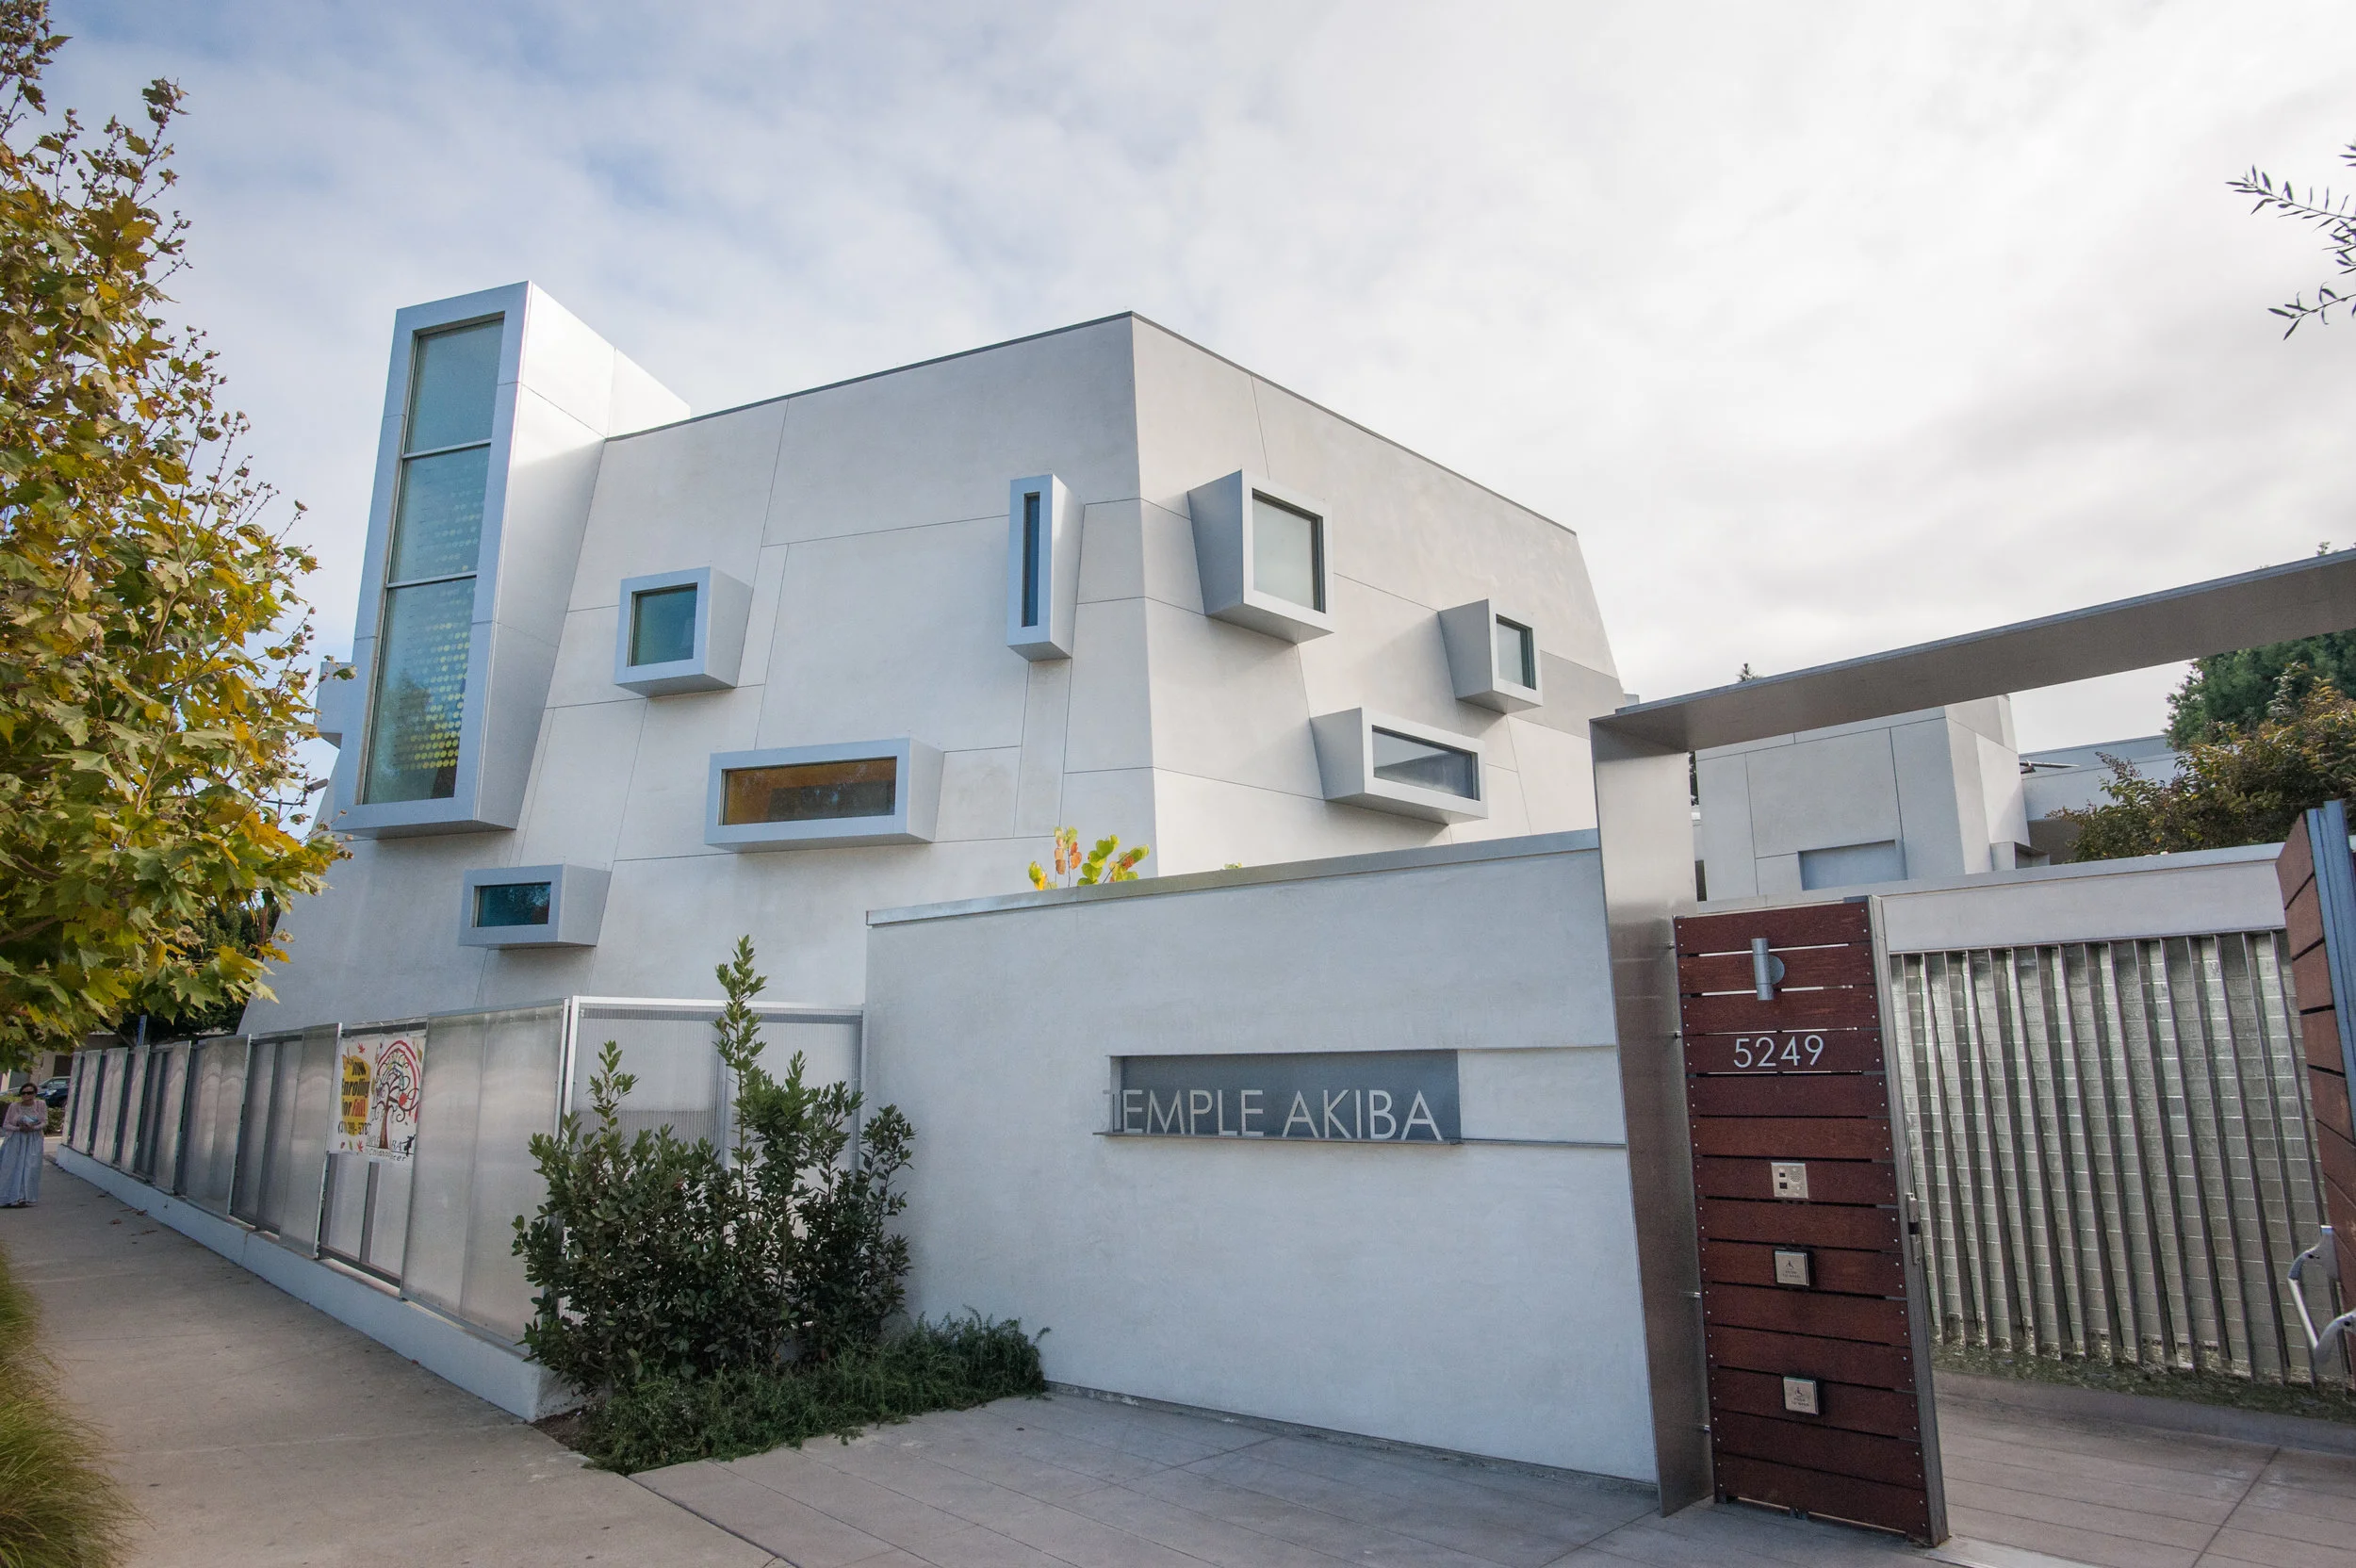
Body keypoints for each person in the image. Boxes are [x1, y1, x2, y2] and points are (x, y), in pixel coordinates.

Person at [0, 1084, 46, 1207]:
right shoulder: (14, 1106)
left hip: (33, 1139)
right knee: (11, 1168)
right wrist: (18, 1128)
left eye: (29, 1093)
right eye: (24, 1093)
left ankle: (24, 1197)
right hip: (16, 1139)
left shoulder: (40, 1105)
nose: (26, 1096)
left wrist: (33, 1127)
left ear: (35, 1094)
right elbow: (6, 1125)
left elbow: (44, 1122)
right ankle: (9, 1197)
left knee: (30, 1168)